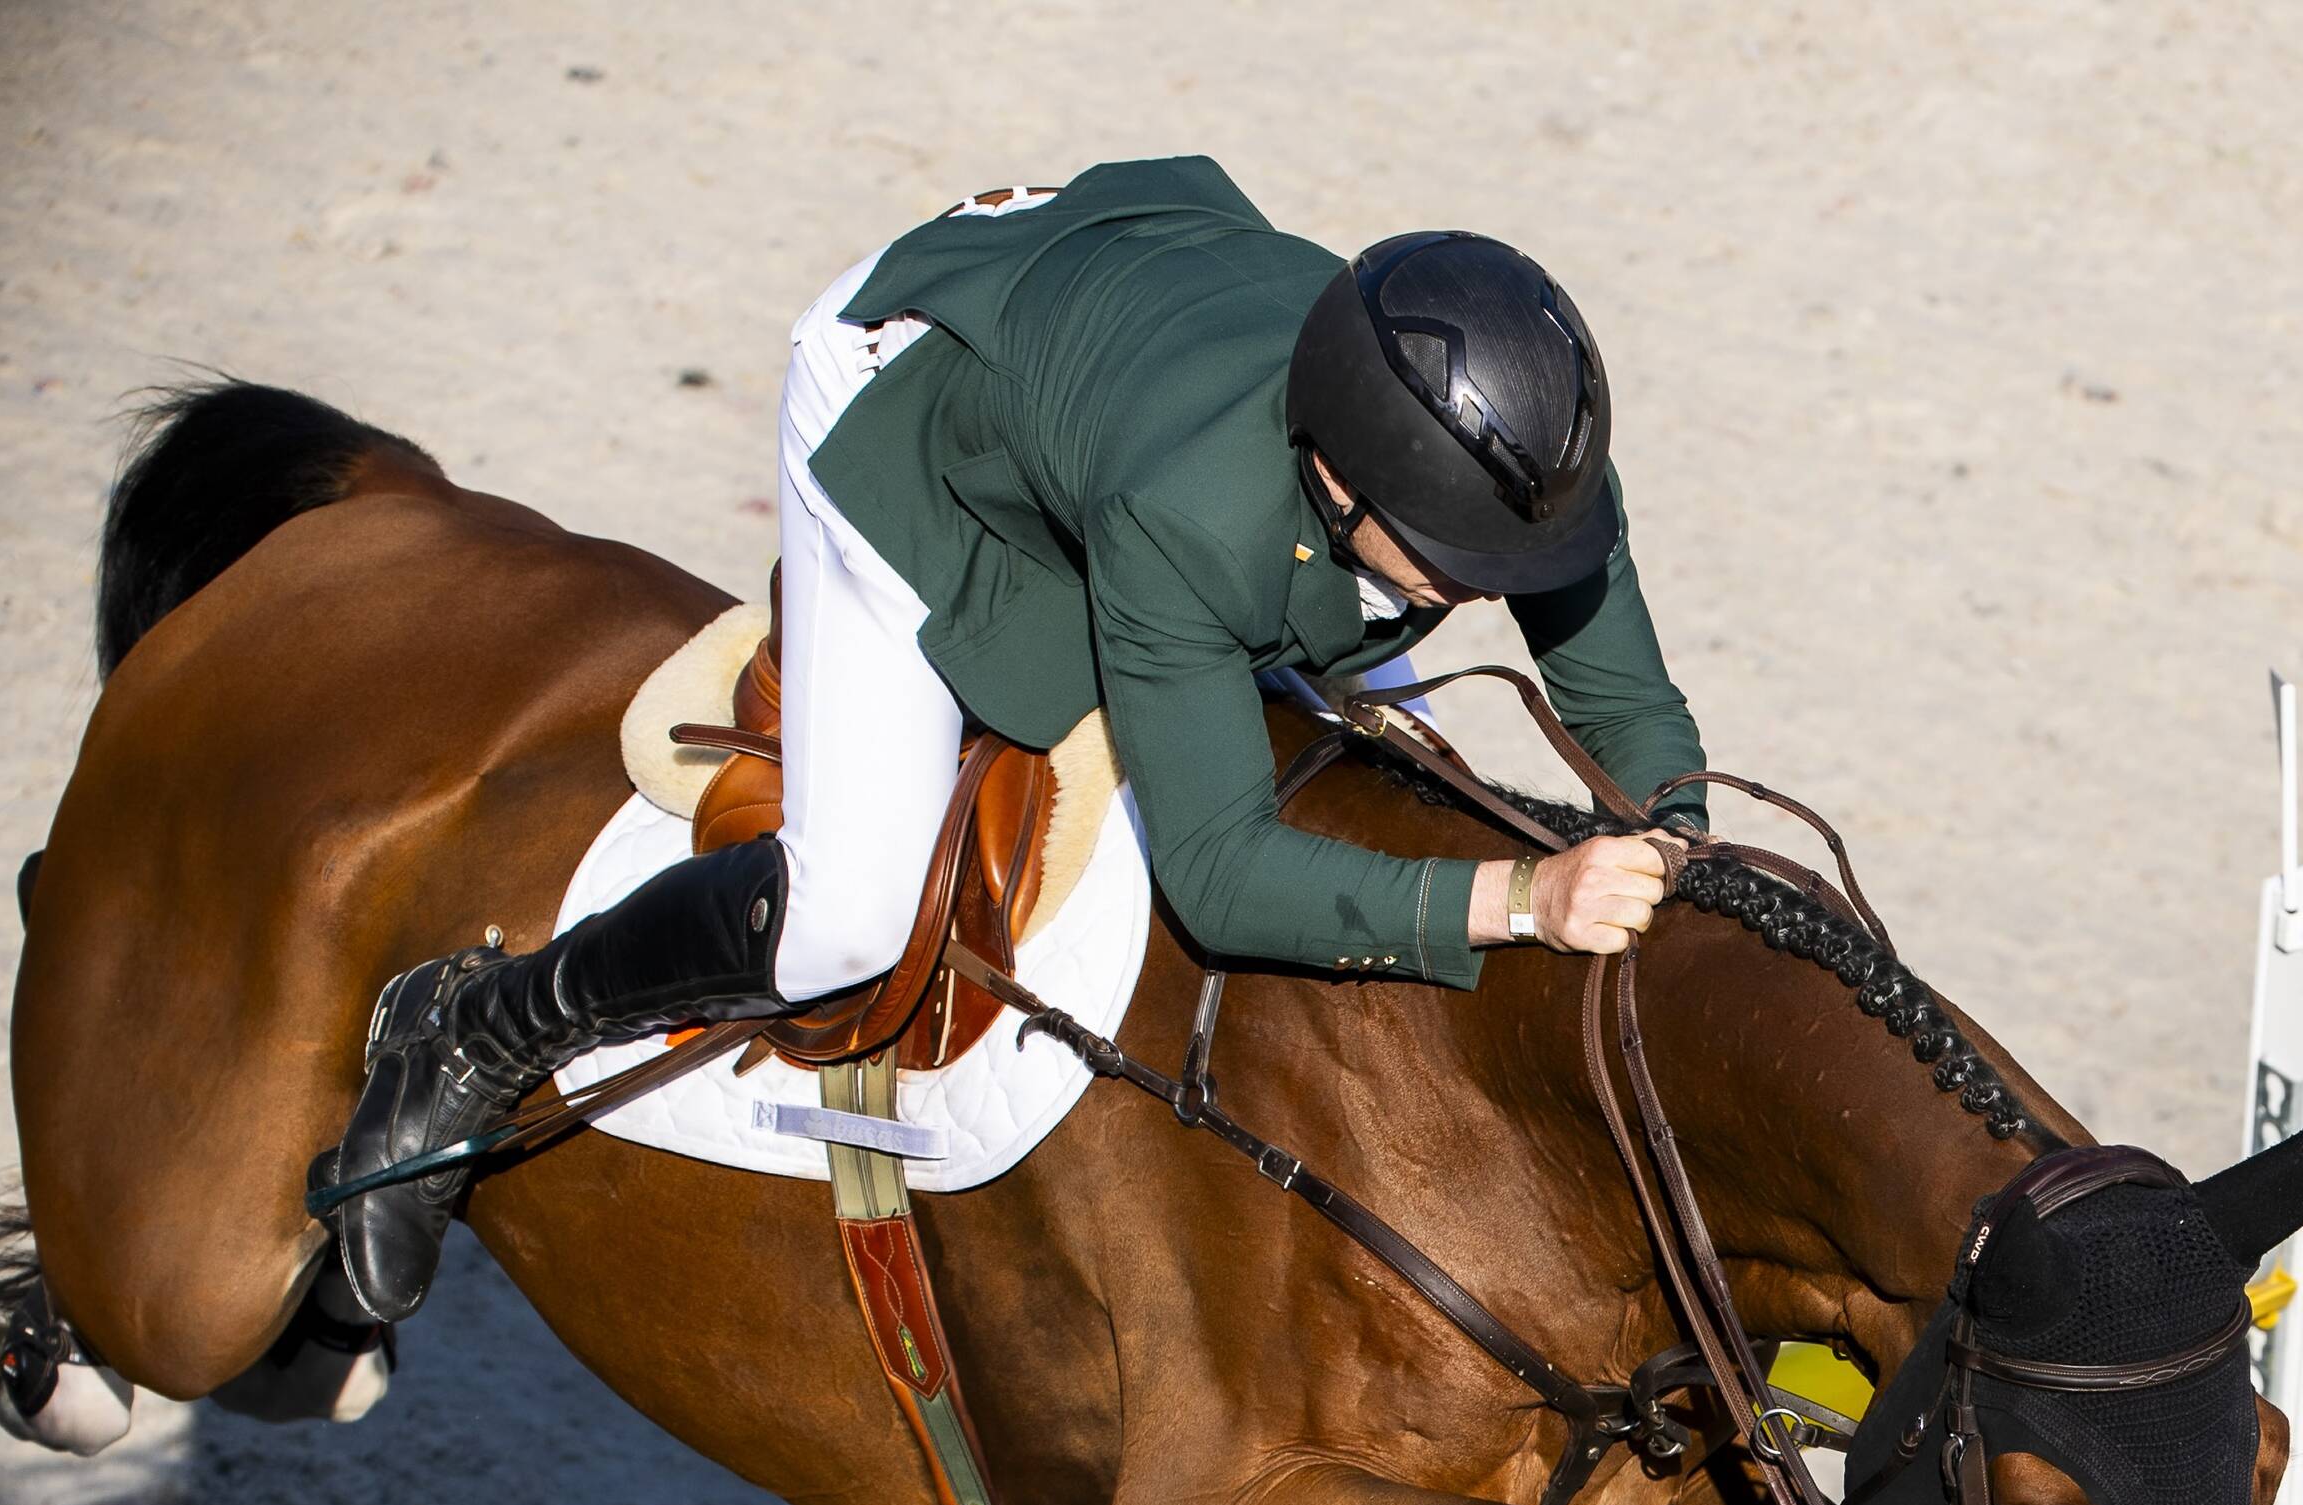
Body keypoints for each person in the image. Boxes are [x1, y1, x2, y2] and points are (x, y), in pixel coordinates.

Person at [323, 157, 1704, 1324]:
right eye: (1459, 560)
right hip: (911, 395)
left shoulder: (1516, 467)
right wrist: (1526, 898)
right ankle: (479, 1027)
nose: (1495, 586)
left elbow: (1628, 707)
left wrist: (1684, 852)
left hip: (1131, 321)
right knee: (848, 916)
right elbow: (1221, 875)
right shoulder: (1193, 515)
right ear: (1337, 480)